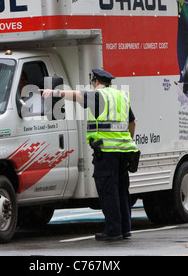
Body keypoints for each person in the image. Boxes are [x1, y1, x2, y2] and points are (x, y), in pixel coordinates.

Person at [41, 68, 139, 241]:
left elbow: (77, 95)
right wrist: (127, 141)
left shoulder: (98, 96)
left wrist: (55, 91)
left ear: (95, 81)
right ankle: (125, 229)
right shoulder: (121, 96)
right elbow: (132, 123)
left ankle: (113, 230)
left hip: (106, 152)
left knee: (108, 191)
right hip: (124, 152)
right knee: (121, 190)